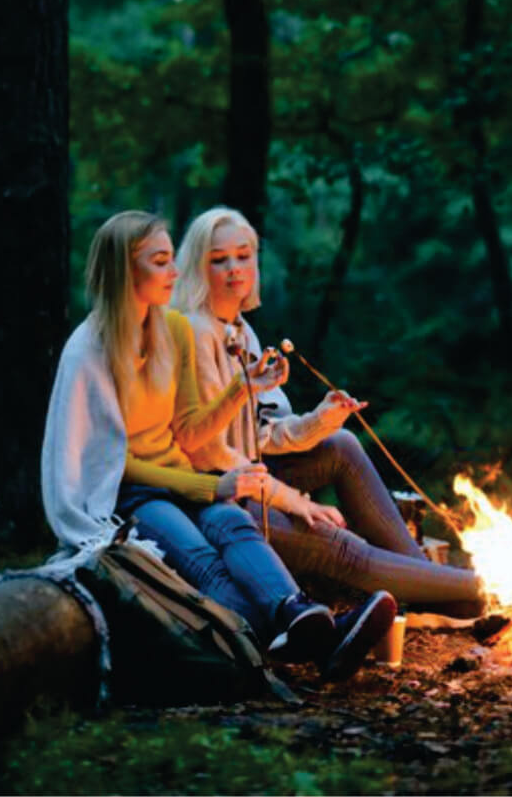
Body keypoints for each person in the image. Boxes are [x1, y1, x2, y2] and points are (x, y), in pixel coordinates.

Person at [41, 211, 396, 682]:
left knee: (233, 524)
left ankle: (298, 614)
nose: (174, 272)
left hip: (184, 479)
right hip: (130, 494)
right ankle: (308, 639)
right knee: (198, 553)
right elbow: (114, 462)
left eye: (173, 261)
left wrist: (242, 389)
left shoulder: (175, 331)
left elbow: (188, 431)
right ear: (126, 270)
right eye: (162, 262)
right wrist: (210, 487)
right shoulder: (89, 350)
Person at [172, 207, 485, 618]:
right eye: (219, 259)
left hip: (251, 476)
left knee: (342, 443)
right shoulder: (195, 332)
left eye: (244, 255)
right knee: (337, 542)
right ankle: (500, 586)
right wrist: (291, 501)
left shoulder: (241, 330)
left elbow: (262, 435)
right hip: (216, 496)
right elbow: (209, 454)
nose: (235, 268)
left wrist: (321, 419)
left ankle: (427, 585)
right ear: (198, 267)